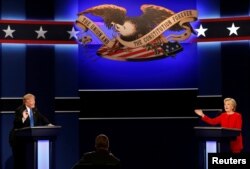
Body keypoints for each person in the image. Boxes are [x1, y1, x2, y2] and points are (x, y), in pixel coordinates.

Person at [9, 93, 53, 169]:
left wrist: (49, 124)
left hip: (31, 140)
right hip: (18, 140)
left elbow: (42, 117)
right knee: (20, 162)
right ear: (27, 101)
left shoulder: (35, 110)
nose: (34, 102)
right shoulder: (19, 110)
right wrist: (23, 118)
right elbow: (16, 124)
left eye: (34, 100)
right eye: (33, 100)